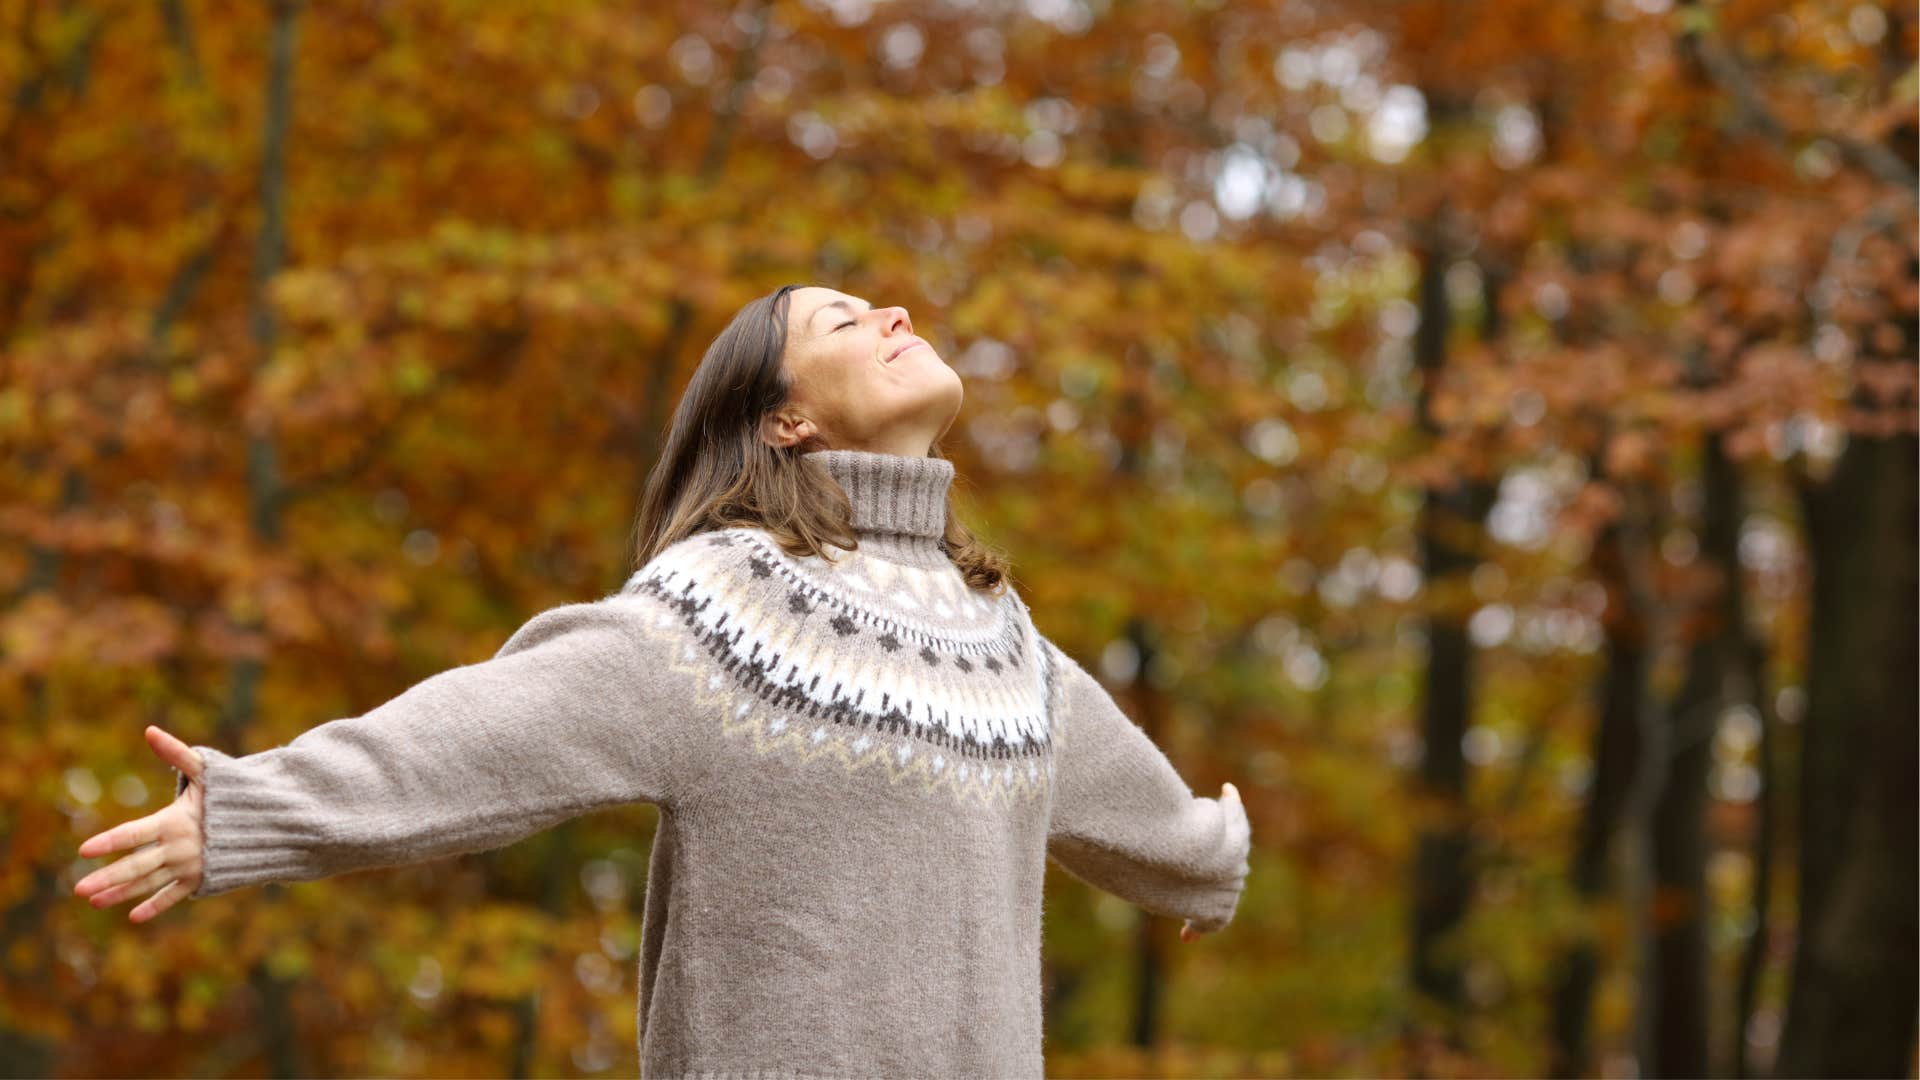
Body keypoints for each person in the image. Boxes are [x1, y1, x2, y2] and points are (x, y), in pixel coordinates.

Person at [73, 284, 1252, 1078]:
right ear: (784, 418)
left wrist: (1203, 861)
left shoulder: (1009, 646)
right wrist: (248, 809)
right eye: (846, 322)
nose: (895, 311)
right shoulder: (726, 610)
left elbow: (1149, 817)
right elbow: (485, 728)